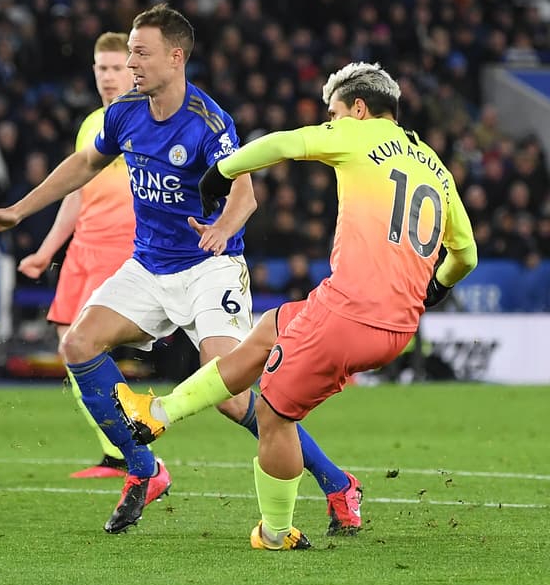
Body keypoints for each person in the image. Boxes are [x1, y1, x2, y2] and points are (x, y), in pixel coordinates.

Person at [0, 4, 355, 535]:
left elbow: (245, 194)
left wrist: (223, 228)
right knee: (78, 345)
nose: (131, 63)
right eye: (128, 53)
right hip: (148, 266)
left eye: (140, 53)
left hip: (209, 268)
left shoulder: (208, 122)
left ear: (175, 57)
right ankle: (144, 469)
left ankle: (338, 483)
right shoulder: (123, 113)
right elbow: (85, 163)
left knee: (231, 394)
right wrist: (18, 210)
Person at [115, 62, 478, 550]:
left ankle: (275, 532)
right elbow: (466, 254)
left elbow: (284, 143)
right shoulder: (435, 165)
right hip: (396, 327)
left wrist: (222, 171)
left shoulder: (358, 135)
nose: (331, 122)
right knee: (269, 329)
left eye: (334, 113)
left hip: (349, 314)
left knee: (273, 415)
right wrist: (437, 287)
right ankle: (159, 411)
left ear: (359, 108)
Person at [17, 32, 137, 479]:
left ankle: (130, 445)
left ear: (133, 69)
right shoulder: (92, 123)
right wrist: (46, 250)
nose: (108, 76)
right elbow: (76, 191)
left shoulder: (148, 118)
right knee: (68, 348)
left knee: (87, 347)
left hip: (122, 248)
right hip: (82, 248)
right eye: (101, 68)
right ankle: (117, 449)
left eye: (117, 68)